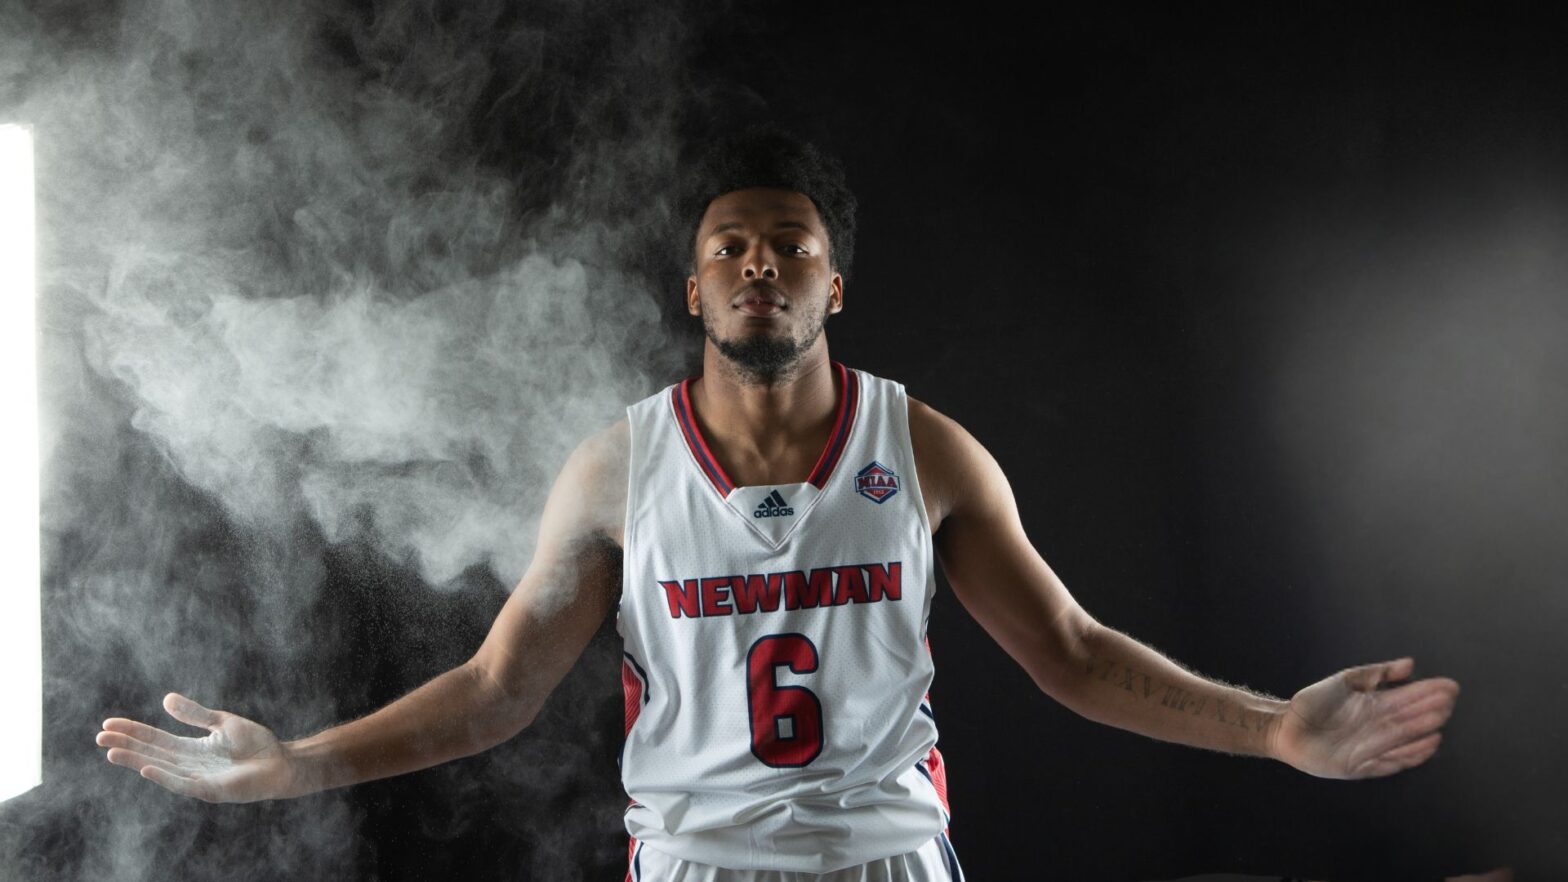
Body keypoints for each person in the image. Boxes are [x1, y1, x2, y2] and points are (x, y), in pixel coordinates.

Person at [95, 126, 1462, 881]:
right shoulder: (617, 467)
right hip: (697, 868)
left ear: (833, 287)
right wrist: (296, 763)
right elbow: (500, 687)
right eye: (730, 248)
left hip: (888, 860)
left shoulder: (921, 447)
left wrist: (1278, 729)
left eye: (791, 247)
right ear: (693, 290)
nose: (761, 264)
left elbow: (1077, 653)